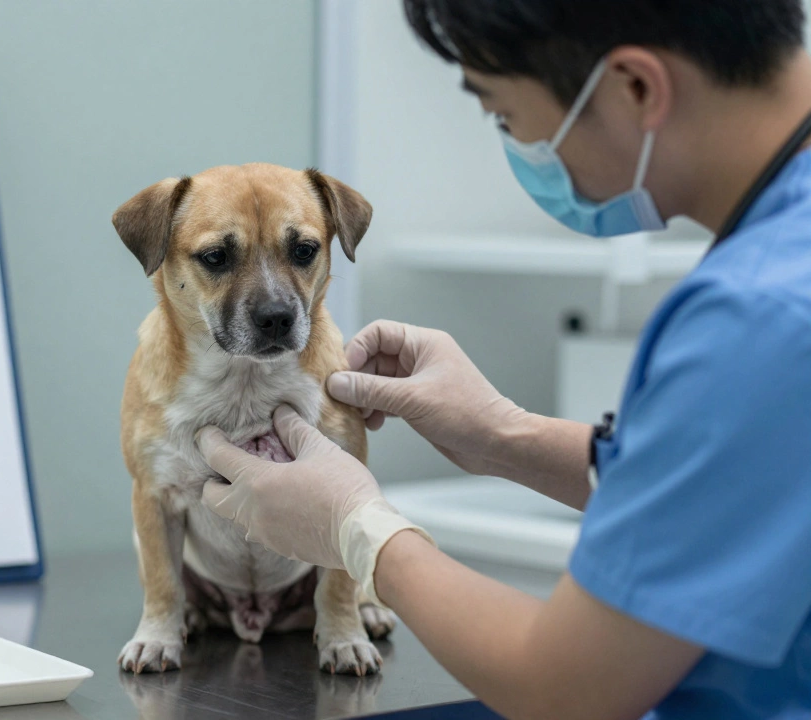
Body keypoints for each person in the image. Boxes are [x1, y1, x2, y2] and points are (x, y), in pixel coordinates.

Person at [195, 2, 811, 718]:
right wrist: (501, 433)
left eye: (505, 116)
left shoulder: (760, 317)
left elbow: (566, 688)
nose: (518, 148)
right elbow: (727, 485)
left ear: (635, 88)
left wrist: (359, 531)